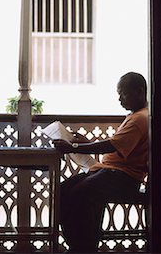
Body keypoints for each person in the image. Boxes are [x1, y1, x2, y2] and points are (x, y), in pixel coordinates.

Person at [53, 72, 149, 253]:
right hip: (110, 172)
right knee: (64, 190)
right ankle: (76, 246)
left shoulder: (139, 119)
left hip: (124, 178)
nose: (120, 99)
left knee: (81, 193)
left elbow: (111, 145)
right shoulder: (137, 116)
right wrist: (84, 143)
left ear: (139, 91)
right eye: (118, 94)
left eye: (124, 94)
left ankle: (84, 247)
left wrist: (72, 147)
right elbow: (118, 145)